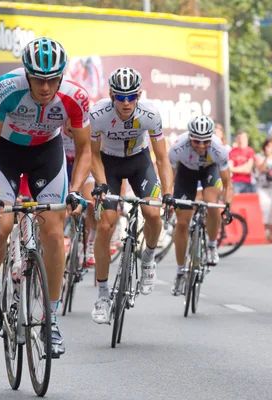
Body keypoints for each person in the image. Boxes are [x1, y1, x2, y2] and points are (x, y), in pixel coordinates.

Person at [0, 37, 92, 358]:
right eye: (38, 79)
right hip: (7, 152)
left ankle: (51, 320)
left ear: (61, 76)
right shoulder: (6, 88)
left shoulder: (75, 97)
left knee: (54, 232)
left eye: (52, 79)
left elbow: (84, 150)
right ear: (26, 74)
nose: (45, 87)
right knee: (3, 224)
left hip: (47, 153)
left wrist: (75, 190)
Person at [89, 67, 174, 324]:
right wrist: (101, 184)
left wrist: (168, 193)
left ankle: (148, 259)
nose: (126, 103)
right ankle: (103, 295)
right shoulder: (97, 115)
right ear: (112, 95)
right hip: (109, 164)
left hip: (139, 162)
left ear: (139, 95)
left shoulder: (150, 114)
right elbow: (93, 155)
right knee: (106, 225)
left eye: (131, 97)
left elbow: (162, 158)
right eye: (120, 97)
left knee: (152, 213)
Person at [168, 116, 233, 295]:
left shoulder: (219, 149)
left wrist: (227, 206)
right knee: (182, 223)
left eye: (206, 141)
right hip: (185, 175)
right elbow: (169, 177)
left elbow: (227, 184)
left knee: (212, 203)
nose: (201, 145)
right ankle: (180, 271)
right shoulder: (177, 147)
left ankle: (211, 245)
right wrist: (168, 198)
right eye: (197, 140)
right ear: (190, 137)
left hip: (209, 172)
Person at [62, 119, 97, 265]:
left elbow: (92, 158)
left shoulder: (87, 130)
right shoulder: (57, 131)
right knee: (60, 203)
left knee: (90, 202)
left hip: (82, 169)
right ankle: (61, 237)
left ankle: (90, 243)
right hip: (63, 167)